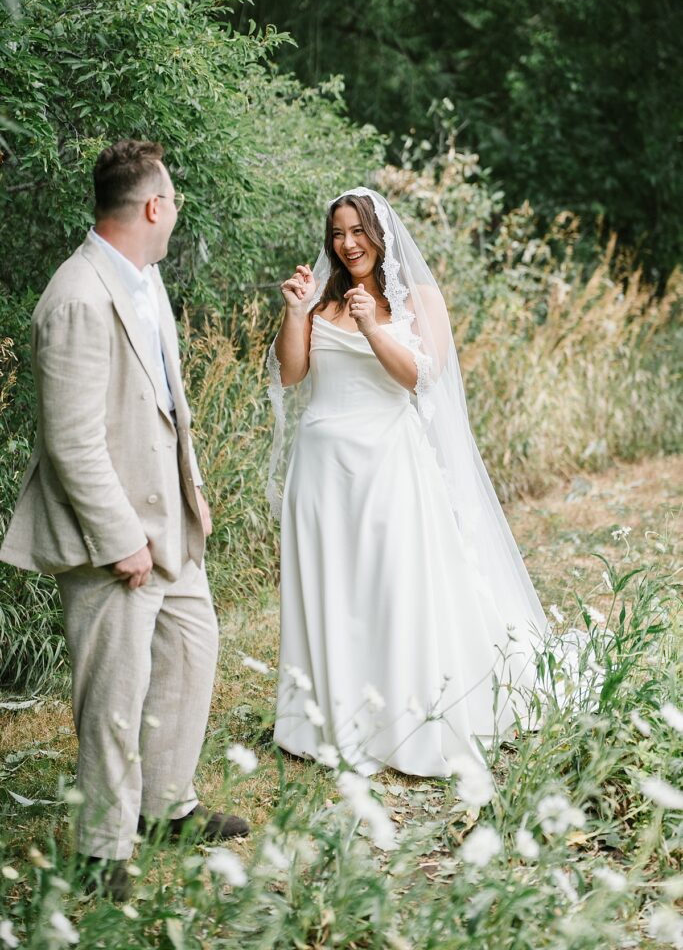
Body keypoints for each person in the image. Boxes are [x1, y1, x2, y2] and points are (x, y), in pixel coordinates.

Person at [0, 139, 248, 900]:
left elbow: (165, 404)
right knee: (112, 695)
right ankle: (102, 852)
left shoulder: (144, 280)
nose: (175, 212)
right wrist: (121, 542)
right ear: (150, 206)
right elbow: (72, 441)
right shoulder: (77, 295)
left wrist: (192, 489)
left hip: (169, 520)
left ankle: (166, 807)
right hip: (113, 537)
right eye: (171, 200)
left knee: (190, 651)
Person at [267, 187, 548, 777]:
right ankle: (329, 717)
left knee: (391, 585)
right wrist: (295, 313)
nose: (347, 245)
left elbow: (423, 378)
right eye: (338, 234)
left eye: (357, 231)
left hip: (388, 461)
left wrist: (374, 329)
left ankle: (400, 717)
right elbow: (292, 375)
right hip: (320, 465)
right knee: (331, 587)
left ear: (380, 233)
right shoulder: (322, 301)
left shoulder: (417, 297)